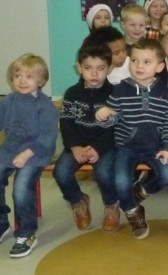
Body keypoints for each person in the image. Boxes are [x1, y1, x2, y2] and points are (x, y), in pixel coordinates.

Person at [95, 38, 168, 240]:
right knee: (121, 182)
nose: (139, 66)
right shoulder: (121, 89)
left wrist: (167, 146)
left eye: (146, 62)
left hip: (155, 147)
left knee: (167, 175)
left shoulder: (163, 91)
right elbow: (112, 120)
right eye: (134, 60)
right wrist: (103, 116)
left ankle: (141, 190)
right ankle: (133, 212)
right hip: (127, 147)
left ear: (159, 67)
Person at [0, 54, 57, 258]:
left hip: (36, 151)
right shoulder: (9, 100)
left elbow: (48, 138)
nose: (22, 80)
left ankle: (27, 233)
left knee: (21, 188)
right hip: (10, 149)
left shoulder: (45, 106)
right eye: (17, 75)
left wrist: (26, 155)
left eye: (29, 76)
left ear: (41, 80)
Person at [53, 44, 119, 233]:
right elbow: (66, 123)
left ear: (110, 68)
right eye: (88, 68)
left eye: (101, 68)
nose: (94, 74)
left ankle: (111, 205)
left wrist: (97, 148)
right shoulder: (72, 94)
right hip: (77, 145)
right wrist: (74, 147)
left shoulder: (114, 94)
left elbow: (116, 129)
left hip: (105, 147)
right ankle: (77, 201)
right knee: (61, 172)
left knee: (104, 173)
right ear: (79, 68)